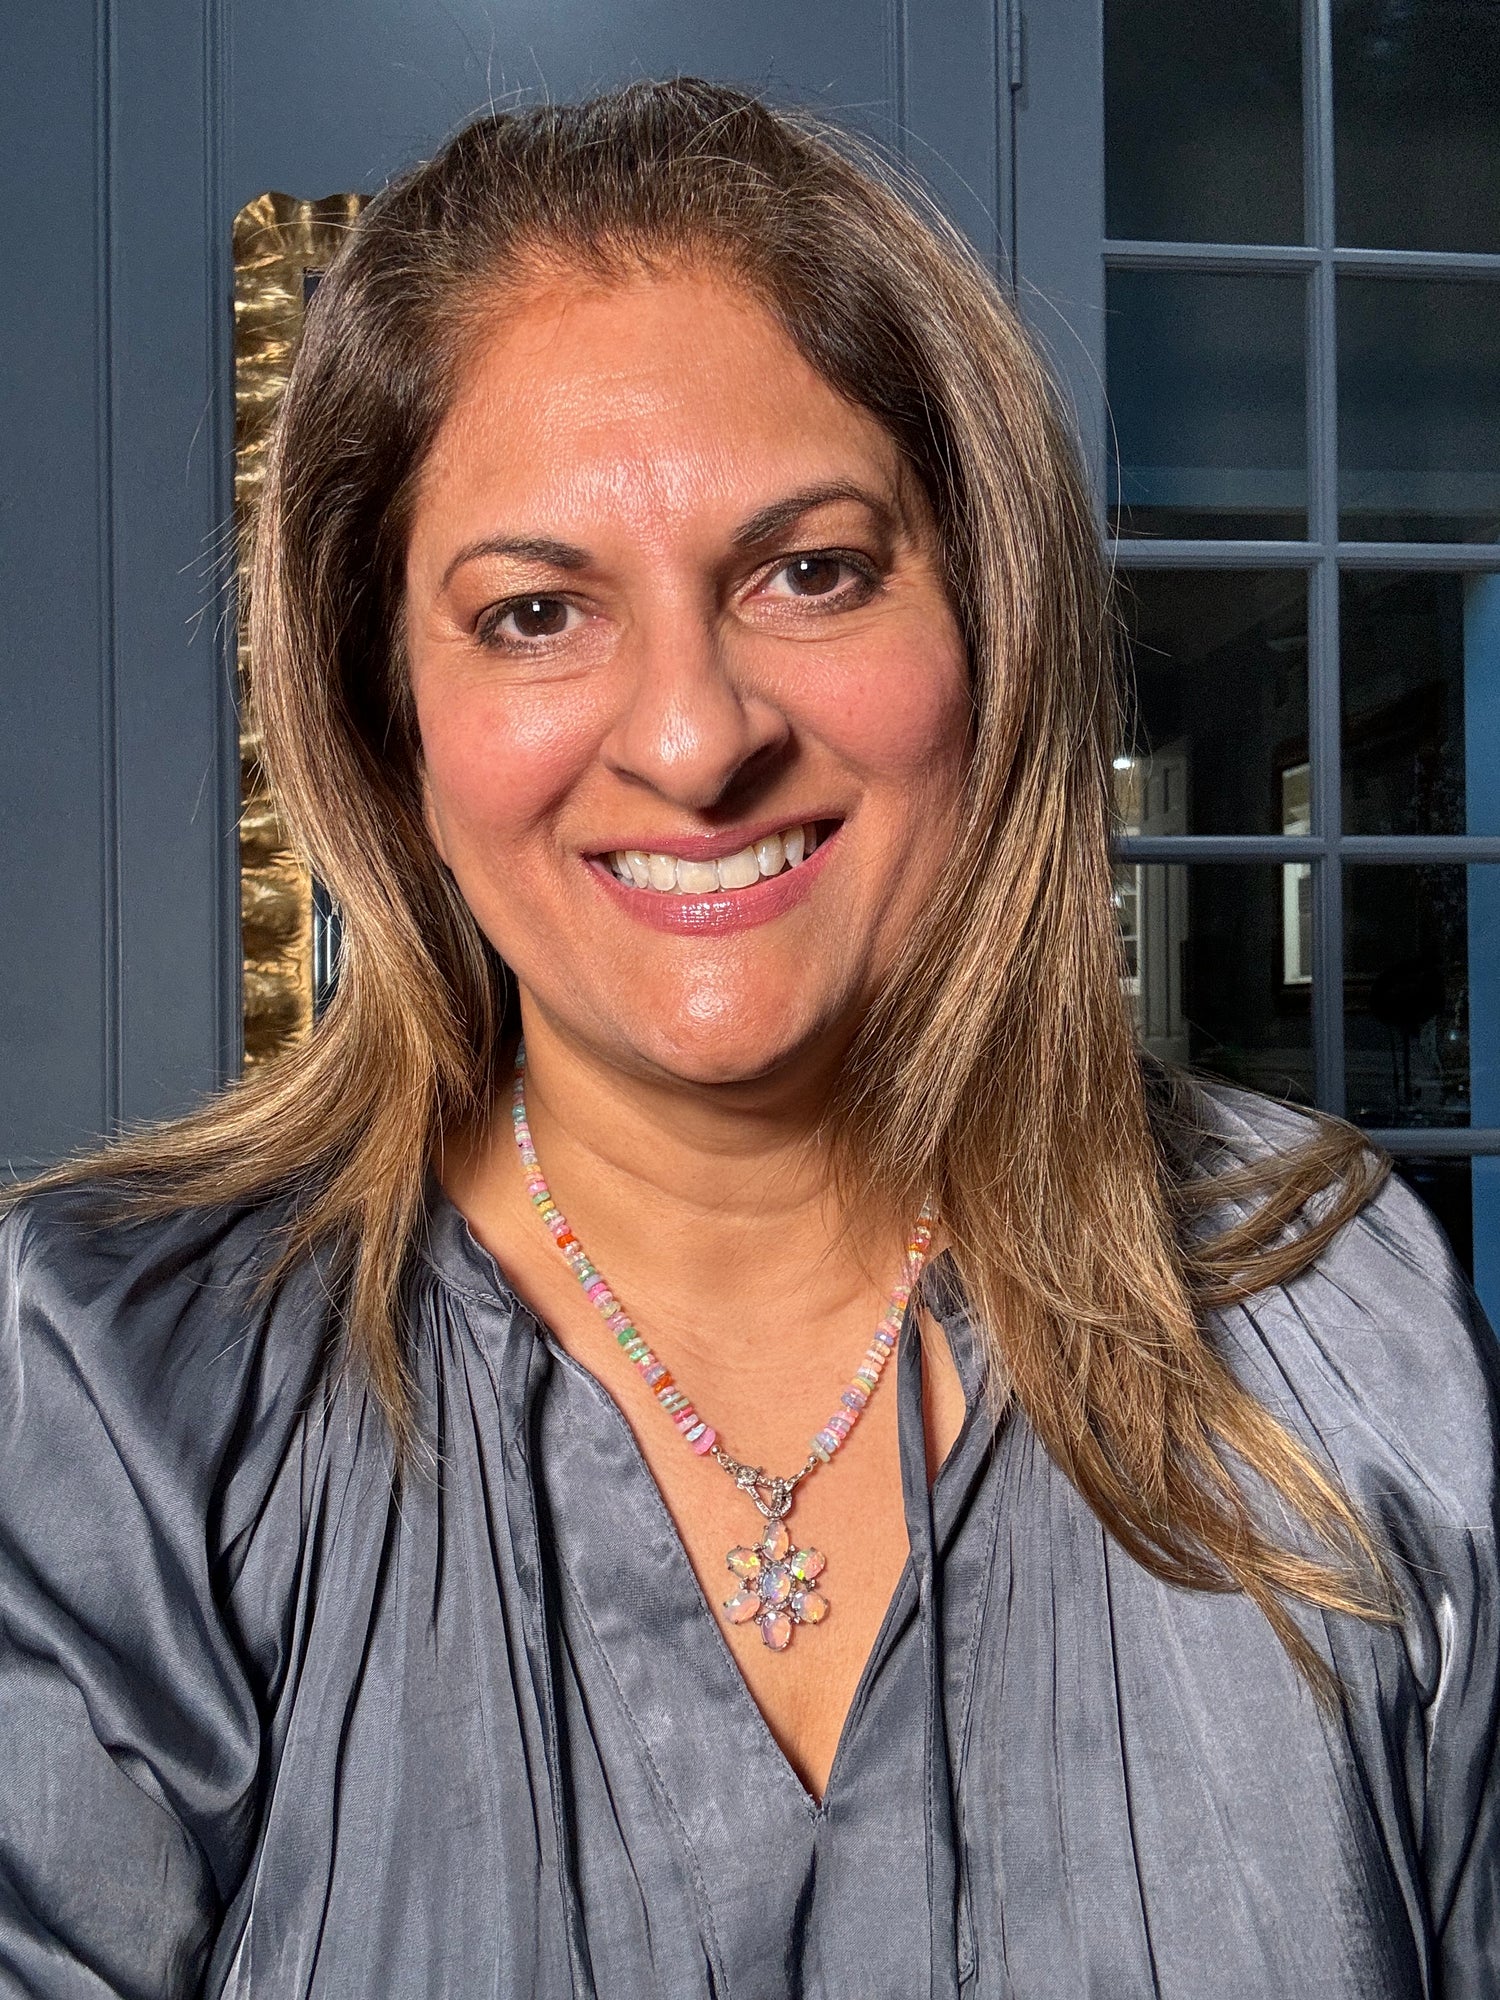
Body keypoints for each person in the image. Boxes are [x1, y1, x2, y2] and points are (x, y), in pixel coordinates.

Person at [1, 79, 1495, 1999]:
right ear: (392, 726)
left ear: (992, 622)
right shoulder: (125, 1387)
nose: (696, 740)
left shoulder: (1334, 1309)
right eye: (537, 611)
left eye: (813, 571)